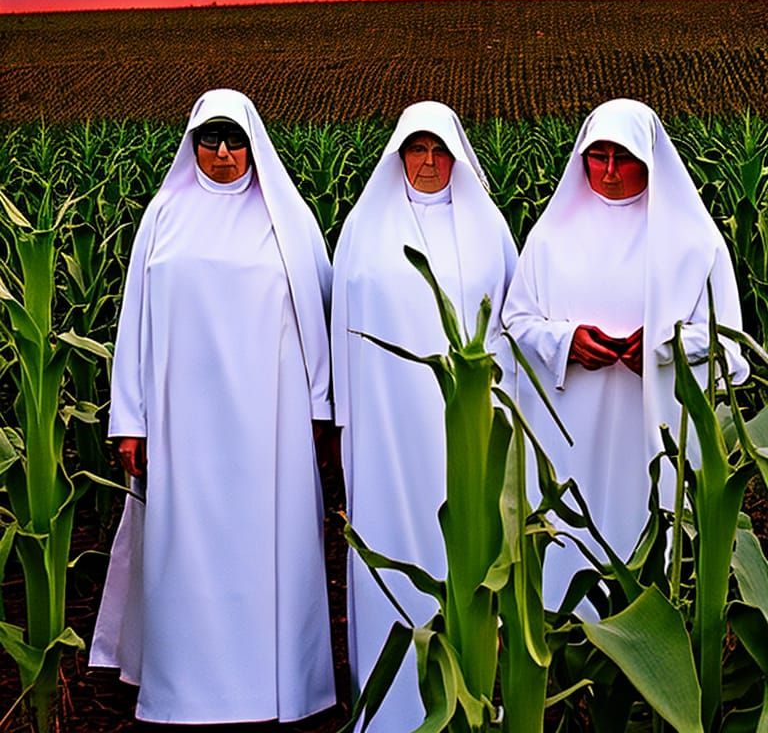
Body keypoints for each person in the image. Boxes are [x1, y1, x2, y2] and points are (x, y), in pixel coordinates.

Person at [90, 88, 336, 724]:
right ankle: (185, 692)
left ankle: (274, 688)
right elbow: (135, 323)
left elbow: (319, 314)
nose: (223, 154)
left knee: (269, 550)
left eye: (235, 141)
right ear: (193, 143)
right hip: (183, 427)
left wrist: (319, 408)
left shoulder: (288, 219)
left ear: (253, 145)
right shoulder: (164, 216)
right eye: (210, 140)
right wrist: (131, 421)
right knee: (185, 554)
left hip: (269, 428)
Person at [502, 98, 749, 616]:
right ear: (582, 157)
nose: (610, 170)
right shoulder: (550, 238)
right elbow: (517, 323)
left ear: (649, 159)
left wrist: (662, 349)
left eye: (624, 156)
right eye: (599, 155)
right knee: (574, 542)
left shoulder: (693, 242)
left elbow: (729, 340)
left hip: (653, 435)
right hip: (571, 432)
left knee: (649, 541)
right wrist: (568, 343)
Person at [331, 100, 518, 730]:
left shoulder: (488, 228)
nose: (429, 161)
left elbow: (513, 328)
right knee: (391, 552)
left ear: (457, 157)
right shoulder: (363, 232)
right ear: (399, 156)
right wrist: (343, 424)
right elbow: (343, 333)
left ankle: (472, 698)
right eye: (417, 149)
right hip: (385, 434)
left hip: (465, 437)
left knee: (466, 555)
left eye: (440, 150)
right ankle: (389, 714)